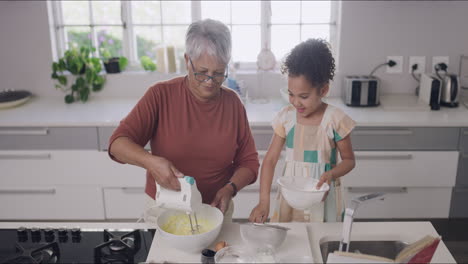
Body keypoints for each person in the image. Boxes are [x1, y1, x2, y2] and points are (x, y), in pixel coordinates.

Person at [108, 19, 260, 223]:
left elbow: (249, 163)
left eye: (218, 74)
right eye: (202, 72)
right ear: (187, 60)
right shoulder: (160, 95)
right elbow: (117, 144)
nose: (209, 81)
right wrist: (150, 162)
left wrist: (230, 189)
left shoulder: (233, 103)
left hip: (214, 213)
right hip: (164, 212)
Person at [249, 39, 356, 223]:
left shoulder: (335, 120)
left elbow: (349, 161)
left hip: (323, 198)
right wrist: (264, 201)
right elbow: (270, 160)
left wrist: (331, 174)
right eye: (291, 94)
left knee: (321, 244)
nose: (296, 102)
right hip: (291, 198)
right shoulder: (286, 118)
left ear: (323, 90)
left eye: (304, 96)